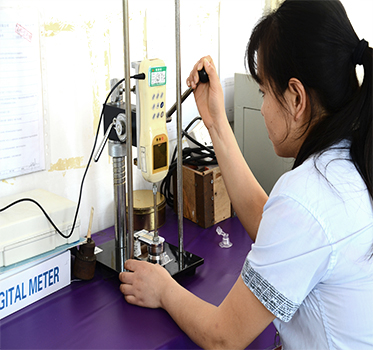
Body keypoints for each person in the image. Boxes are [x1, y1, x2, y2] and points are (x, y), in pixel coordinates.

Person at [119, 0, 373, 348]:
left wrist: (163, 289)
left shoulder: (311, 193)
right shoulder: (353, 155)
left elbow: (224, 337)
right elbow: (275, 220)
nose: (263, 106)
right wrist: (216, 123)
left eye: (264, 92)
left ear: (297, 98)